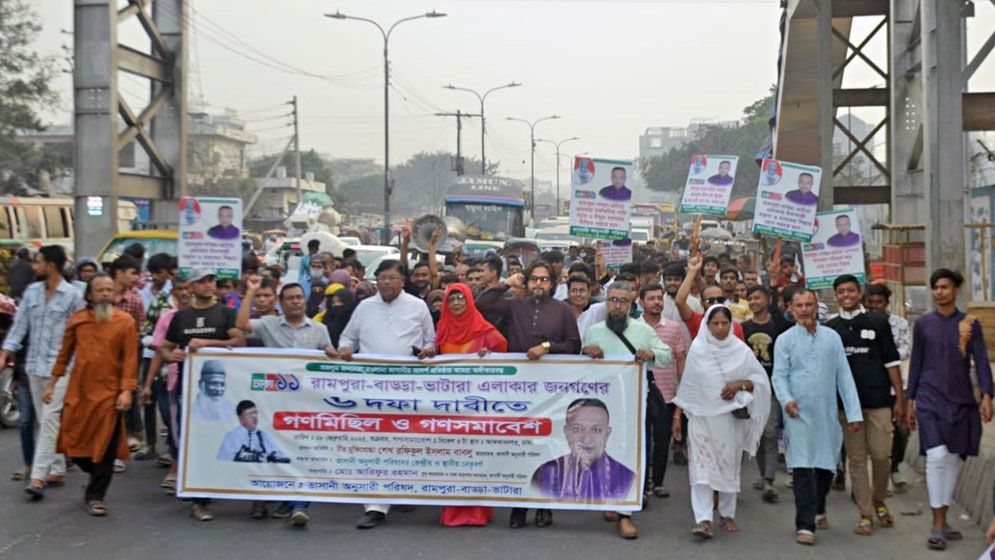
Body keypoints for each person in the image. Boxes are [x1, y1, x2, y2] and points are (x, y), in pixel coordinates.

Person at [476, 260, 581, 530]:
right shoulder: (515, 305)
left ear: (552, 283)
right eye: (534, 279)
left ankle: (545, 506)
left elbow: (573, 345)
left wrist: (546, 347)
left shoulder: (563, 310)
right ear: (526, 281)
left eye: (544, 280)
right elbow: (483, 303)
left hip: (551, 389)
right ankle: (519, 506)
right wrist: (507, 283)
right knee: (521, 447)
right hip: (520, 389)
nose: (538, 284)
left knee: (549, 445)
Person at [337, 259, 436, 529]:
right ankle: (375, 506)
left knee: (405, 440)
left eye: (392, 278)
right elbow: (347, 339)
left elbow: (431, 342)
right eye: (382, 278)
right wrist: (345, 350)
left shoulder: (418, 307)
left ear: (402, 281)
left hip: (407, 386)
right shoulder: (364, 307)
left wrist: (428, 352)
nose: (387, 283)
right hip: (371, 386)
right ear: (376, 281)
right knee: (376, 441)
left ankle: (402, 489)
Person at [906, 268, 993, 551]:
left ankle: (943, 514)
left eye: (945, 287)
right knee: (936, 455)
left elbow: (981, 361)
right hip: (929, 398)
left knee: (954, 458)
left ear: (956, 290)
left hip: (961, 400)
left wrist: (988, 395)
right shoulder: (923, 324)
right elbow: (916, 361)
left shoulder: (970, 323)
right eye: (935, 287)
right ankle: (937, 522)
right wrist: (910, 399)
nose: (939, 292)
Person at [577, 280, 672, 539]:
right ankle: (610, 501)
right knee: (603, 454)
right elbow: (579, 366)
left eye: (623, 301)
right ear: (606, 303)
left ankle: (625, 514)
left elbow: (666, 356)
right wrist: (586, 351)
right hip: (601, 407)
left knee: (628, 456)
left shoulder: (642, 331)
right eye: (613, 300)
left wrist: (650, 353)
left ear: (632, 305)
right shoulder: (595, 330)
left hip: (632, 406)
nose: (617, 306)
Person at [772, 289, 863, 546]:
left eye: (808, 304)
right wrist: (786, 399)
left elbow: (844, 376)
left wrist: (854, 413)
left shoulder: (832, 338)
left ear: (816, 307)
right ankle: (805, 523)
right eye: (798, 305)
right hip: (797, 413)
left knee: (826, 465)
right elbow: (779, 375)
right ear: (791, 308)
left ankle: (820, 507)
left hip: (826, 414)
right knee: (802, 466)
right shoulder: (785, 340)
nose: (804, 309)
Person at [43, 273, 138, 516]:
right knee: (75, 446)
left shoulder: (125, 321)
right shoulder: (78, 320)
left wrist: (127, 391)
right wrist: (52, 383)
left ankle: (95, 496)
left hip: (111, 393)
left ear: (115, 294)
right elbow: (64, 354)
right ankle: (94, 474)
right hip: (80, 392)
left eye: (109, 289)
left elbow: (130, 359)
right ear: (89, 295)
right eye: (100, 290)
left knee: (105, 447)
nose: (105, 293)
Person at [672, 304, 770, 539]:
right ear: (707, 325)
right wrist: (678, 415)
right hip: (701, 418)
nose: (719, 328)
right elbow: (688, 386)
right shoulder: (698, 348)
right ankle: (703, 519)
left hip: (729, 419)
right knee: (701, 468)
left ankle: (727, 514)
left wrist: (739, 385)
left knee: (728, 465)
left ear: (731, 325)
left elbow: (759, 381)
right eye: (714, 323)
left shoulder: (741, 351)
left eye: (724, 323)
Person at [0, 245, 85, 499]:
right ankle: (57, 467)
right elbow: (20, 326)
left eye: (38, 262)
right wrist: (6, 353)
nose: (33, 266)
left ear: (51, 265)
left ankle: (38, 476)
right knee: (44, 418)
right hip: (34, 367)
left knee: (49, 419)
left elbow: (81, 333)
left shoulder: (72, 296)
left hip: (62, 368)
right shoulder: (32, 293)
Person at [161, 267, 246, 521]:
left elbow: (239, 342)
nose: (209, 285)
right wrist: (171, 355)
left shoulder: (225, 313)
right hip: (187, 389)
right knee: (190, 440)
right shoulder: (181, 317)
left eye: (211, 280)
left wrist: (207, 344)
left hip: (221, 391)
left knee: (220, 438)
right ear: (191, 286)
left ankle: (230, 490)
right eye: (202, 281)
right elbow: (165, 349)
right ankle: (199, 499)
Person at [825, 275, 905, 535]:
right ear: (836, 296)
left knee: (882, 456)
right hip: (847, 406)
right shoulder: (830, 327)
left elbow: (892, 362)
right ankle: (865, 513)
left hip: (879, 401)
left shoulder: (878, 322)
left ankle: (879, 498)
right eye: (841, 292)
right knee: (856, 460)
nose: (846, 295)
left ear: (859, 293)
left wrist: (900, 400)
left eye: (850, 290)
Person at [434, 283, 507, 527]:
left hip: (477, 407)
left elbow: (502, 349)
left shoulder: (485, 330)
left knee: (475, 459)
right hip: (449, 407)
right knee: (453, 460)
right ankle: (453, 511)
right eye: (451, 299)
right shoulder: (442, 330)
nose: (456, 303)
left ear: (469, 301)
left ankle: (477, 511)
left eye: (460, 299)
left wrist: (491, 354)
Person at [638, 283, 687, 500]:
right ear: (641, 303)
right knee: (642, 440)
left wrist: (682, 391)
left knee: (662, 440)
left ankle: (658, 482)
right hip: (640, 394)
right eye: (651, 298)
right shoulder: (633, 327)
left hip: (667, 394)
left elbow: (679, 359)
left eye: (659, 298)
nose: (657, 302)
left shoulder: (674, 327)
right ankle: (642, 483)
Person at [741, 286, 788, 502]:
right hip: (752, 388)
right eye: (750, 298)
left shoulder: (779, 326)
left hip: (774, 386)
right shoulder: (744, 328)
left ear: (768, 300)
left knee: (770, 431)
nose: (754, 302)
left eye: (758, 297)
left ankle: (769, 480)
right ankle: (762, 473)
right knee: (757, 433)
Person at [864, 283, 912, 492]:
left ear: (887, 303)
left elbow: (904, 350)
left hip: (893, 387)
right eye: (871, 303)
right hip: (866, 386)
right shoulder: (860, 323)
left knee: (901, 428)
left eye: (879, 303)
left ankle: (894, 466)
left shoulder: (899, 323)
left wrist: (883, 354)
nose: (875, 307)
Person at [676, 255, 745, 341]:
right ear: (702, 303)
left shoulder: (735, 327)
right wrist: (692, 271)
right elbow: (679, 302)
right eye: (710, 301)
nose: (716, 303)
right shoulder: (697, 321)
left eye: (720, 300)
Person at [216, 400, 288, 463]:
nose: (254, 416)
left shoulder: (263, 434)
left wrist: (271, 457)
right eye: (250, 414)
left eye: (255, 413)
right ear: (241, 418)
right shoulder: (233, 436)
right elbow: (224, 458)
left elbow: (279, 455)